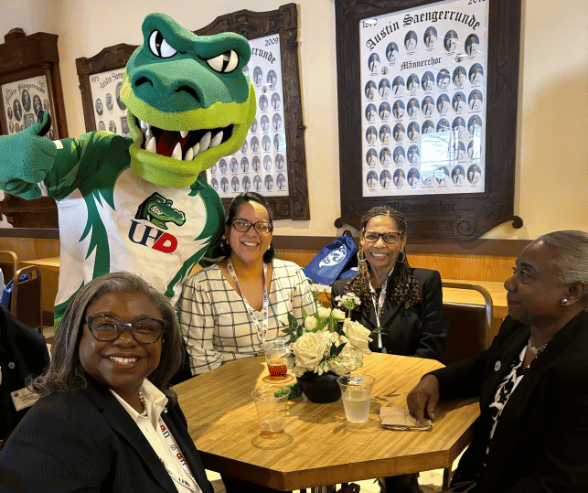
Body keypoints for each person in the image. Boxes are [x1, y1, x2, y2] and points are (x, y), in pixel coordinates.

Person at [408, 230, 588, 492]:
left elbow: (559, 483)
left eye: (525, 275)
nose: (509, 283)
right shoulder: (520, 326)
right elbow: (485, 364)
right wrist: (436, 380)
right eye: (515, 271)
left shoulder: (579, 369)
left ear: (572, 292)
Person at [0, 272, 212, 493]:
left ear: (164, 341)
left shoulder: (164, 403)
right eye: (106, 325)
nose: (126, 339)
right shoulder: (55, 425)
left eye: (145, 327)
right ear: (75, 334)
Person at [331, 206, 447, 493]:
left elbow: (432, 344)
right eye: (372, 236)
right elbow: (339, 350)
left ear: (403, 241)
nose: (379, 245)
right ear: (362, 242)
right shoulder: (342, 288)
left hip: (407, 388)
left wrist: (403, 385)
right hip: (360, 391)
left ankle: (400, 483)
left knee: (397, 469)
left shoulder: (426, 282)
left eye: (389, 237)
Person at [178, 192, 315, 376]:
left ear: (270, 234)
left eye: (261, 226)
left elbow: (309, 337)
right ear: (227, 231)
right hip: (228, 388)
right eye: (242, 224)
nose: (252, 233)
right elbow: (201, 359)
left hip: (288, 382)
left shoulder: (293, 275)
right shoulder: (201, 286)